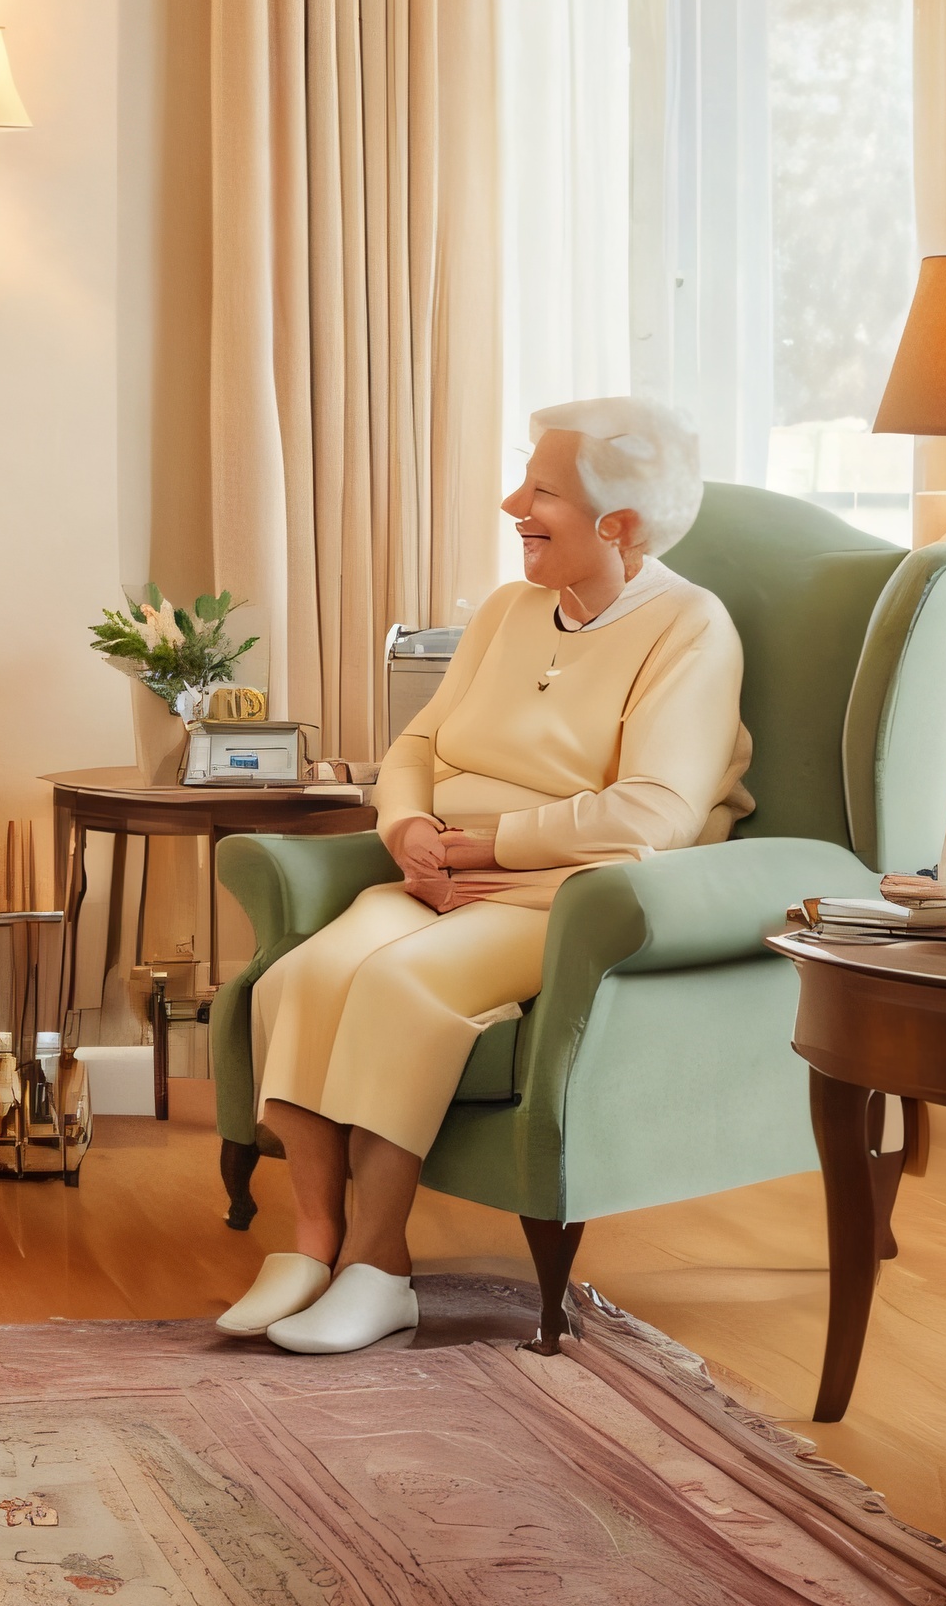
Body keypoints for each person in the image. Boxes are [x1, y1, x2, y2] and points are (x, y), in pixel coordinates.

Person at [219, 396, 749, 1354]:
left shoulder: (689, 627)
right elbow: (418, 741)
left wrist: (485, 845)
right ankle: (309, 1245)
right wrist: (410, 825)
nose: (514, 503)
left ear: (618, 526)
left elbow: (658, 809)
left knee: (397, 988)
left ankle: (379, 1269)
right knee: (299, 976)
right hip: (438, 870)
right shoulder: (510, 609)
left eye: (543, 491)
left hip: (561, 894)